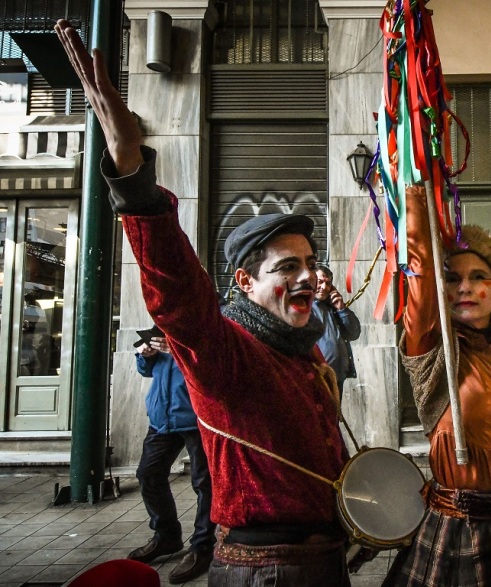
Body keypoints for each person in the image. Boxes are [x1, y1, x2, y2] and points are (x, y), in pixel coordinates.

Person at [55, 21, 350, 586]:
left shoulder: (301, 351)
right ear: (242, 282)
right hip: (268, 573)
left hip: (323, 559)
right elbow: (180, 298)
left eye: (311, 264)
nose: (307, 278)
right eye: (287, 268)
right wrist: (133, 177)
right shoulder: (227, 353)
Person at [383, 186, 491, 587]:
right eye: (453, 278)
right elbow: (420, 269)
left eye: (478, 277)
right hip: (463, 532)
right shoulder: (433, 349)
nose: (464, 287)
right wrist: (415, 184)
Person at [129, 325, 215, 584]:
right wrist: (146, 355)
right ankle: (166, 536)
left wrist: (180, 352)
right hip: (161, 417)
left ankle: (202, 547)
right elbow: (148, 370)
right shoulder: (164, 320)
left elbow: (215, 368)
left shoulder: (207, 321)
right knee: (148, 474)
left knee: (204, 484)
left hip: (196, 418)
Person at [312, 264, 361, 391]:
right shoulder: (306, 308)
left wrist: (342, 309)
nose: (324, 287)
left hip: (338, 376)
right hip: (318, 376)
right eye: (320, 282)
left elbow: (354, 333)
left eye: (327, 284)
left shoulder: (333, 307)